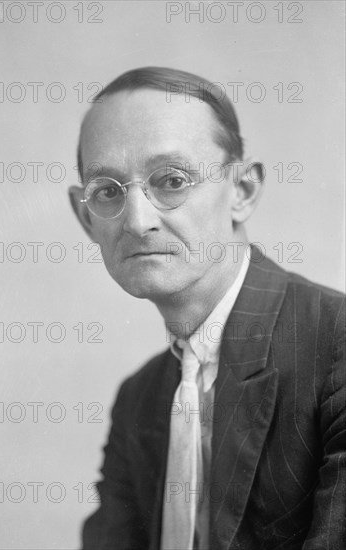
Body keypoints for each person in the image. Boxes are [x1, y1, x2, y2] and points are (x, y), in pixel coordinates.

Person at [69, 67, 345, 550]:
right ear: (86, 217)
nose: (137, 221)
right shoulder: (139, 398)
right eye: (109, 191)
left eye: (172, 180)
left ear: (242, 191)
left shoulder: (337, 347)